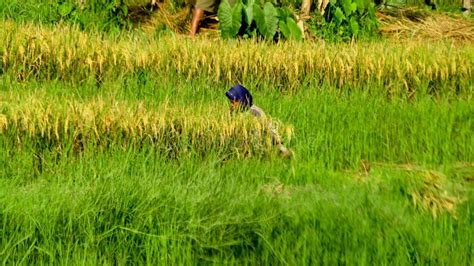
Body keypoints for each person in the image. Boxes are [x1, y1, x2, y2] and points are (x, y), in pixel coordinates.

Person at [225, 84, 292, 157]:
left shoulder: (254, 112)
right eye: (231, 102)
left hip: (260, 144)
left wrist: (281, 147)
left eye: (233, 102)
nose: (231, 105)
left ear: (241, 100)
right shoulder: (234, 112)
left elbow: (269, 129)